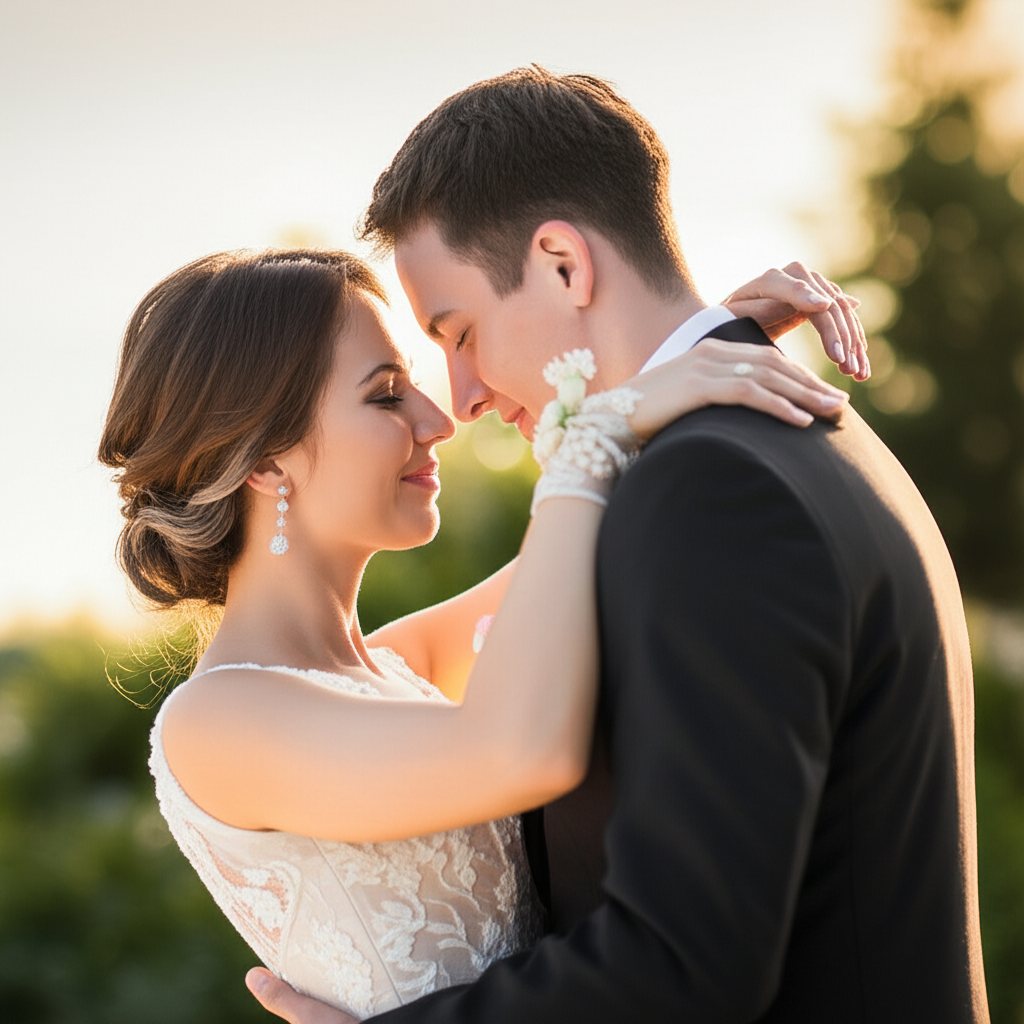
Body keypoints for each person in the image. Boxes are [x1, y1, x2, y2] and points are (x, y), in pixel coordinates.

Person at [249, 67, 989, 1023]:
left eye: (461, 332)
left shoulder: (714, 490)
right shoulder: (774, 443)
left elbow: (683, 964)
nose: (462, 397)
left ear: (564, 263)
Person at [100, 247, 847, 1017]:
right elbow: (524, 749)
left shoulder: (394, 665)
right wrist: (597, 432)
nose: (440, 421)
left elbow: (571, 559)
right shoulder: (217, 723)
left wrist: (694, 346)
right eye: (387, 396)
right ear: (263, 462)